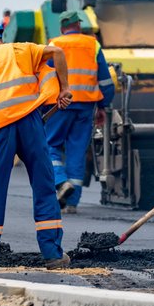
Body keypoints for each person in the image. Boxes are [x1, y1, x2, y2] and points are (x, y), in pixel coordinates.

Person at [0, 23, 73, 271]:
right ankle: (53, 255)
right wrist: (64, 88)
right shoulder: (21, 50)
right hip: (30, 122)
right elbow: (57, 53)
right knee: (44, 185)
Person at [45, 11, 115, 214]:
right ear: (78, 24)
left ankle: (60, 182)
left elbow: (46, 76)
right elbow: (105, 81)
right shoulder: (92, 44)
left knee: (50, 145)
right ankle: (72, 203)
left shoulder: (54, 43)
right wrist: (103, 105)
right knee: (76, 152)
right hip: (86, 106)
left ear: (62, 28)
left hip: (59, 104)